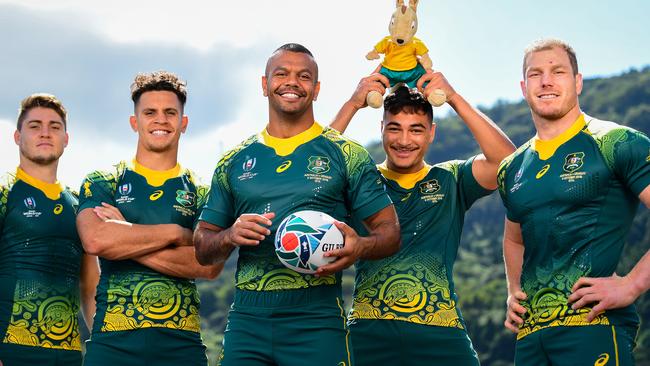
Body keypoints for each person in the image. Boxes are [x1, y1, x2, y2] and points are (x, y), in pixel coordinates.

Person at [193, 43, 401, 366]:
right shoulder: (233, 161)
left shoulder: (348, 155)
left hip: (318, 318)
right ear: (265, 85)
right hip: (249, 319)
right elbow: (203, 247)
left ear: (315, 90)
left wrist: (360, 245)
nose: (292, 82)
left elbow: (390, 233)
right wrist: (230, 235)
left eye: (304, 76)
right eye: (282, 74)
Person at [331, 73, 515, 364]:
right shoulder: (362, 181)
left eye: (416, 130)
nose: (404, 140)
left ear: (432, 133)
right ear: (381, 129)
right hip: (368, 332)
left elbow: (508, 163)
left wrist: (453, 98)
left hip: (440, 332)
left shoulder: (451, 179)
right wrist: (352, 105)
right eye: (395, 129)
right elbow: (314, 173)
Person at [497, 38, 650, 365]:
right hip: (530, 338)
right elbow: (513, 238)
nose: (546, 81)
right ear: (524, 88)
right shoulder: (512, 167)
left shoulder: (616, 143)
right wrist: (513, 291)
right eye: (535, 74)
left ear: (577, 82)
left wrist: (632, 284)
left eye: (558, 71)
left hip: (593, 325)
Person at [76, 71, 221, 366]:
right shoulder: (104, 181)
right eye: (150, 112)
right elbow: (95, 240)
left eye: (170, 112)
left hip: (181, 344)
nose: (160, 120)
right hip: (113, 342)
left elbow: (208, 264)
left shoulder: (203, 190)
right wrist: (177, 234)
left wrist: (125, 235)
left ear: (183, 123)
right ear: (135, 122)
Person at [0, 94, 99, 366]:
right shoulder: (5, 194)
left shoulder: (80, 207)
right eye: (34, 126)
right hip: (11, 351)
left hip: (67, 356)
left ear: (66, 139)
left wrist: (104, 345)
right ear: (17, 137)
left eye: (55, 127)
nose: (45, 133)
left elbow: (90, 287)